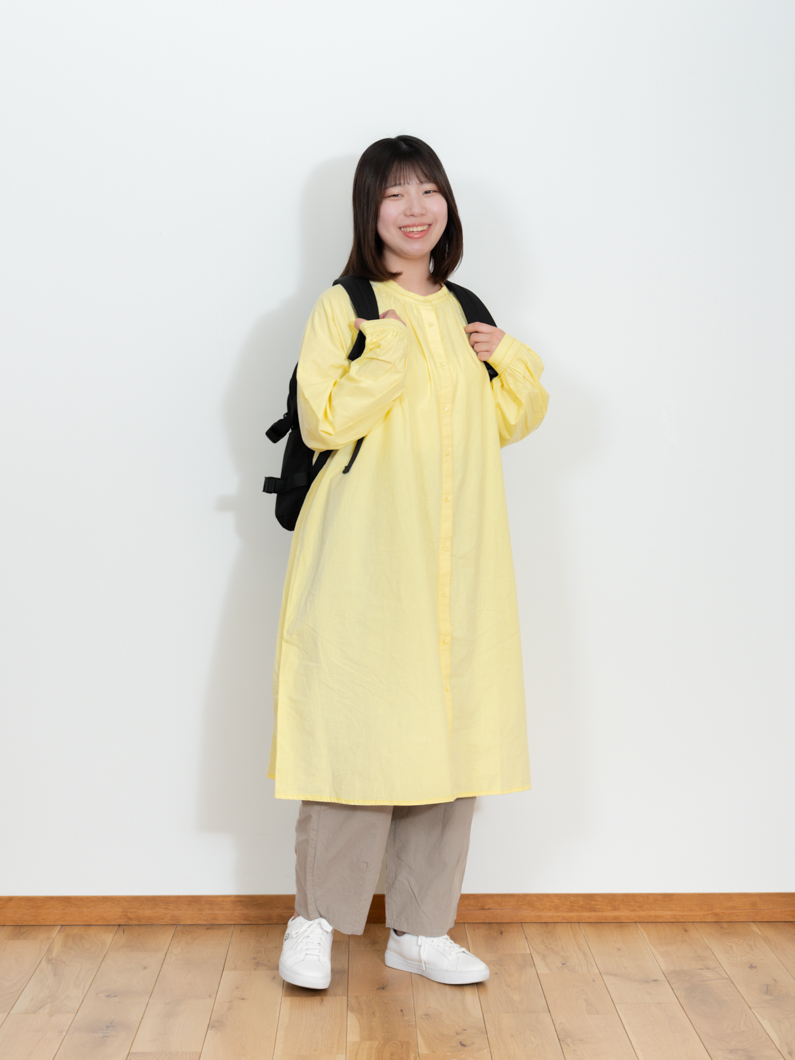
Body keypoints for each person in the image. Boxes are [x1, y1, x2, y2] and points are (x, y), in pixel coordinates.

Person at [268, 135, 549, 989]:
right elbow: (321, 421)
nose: (415, 209)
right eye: (395, 194)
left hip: (460, 558)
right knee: (359, 730)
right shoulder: (344, 305)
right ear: (370, 211)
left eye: (429, 190)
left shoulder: (466, 308)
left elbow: (507, 420)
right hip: (367, 555)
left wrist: (507, 355)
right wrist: (385, 353)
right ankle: (316, 921)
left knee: (449, 734)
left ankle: (421, 931)